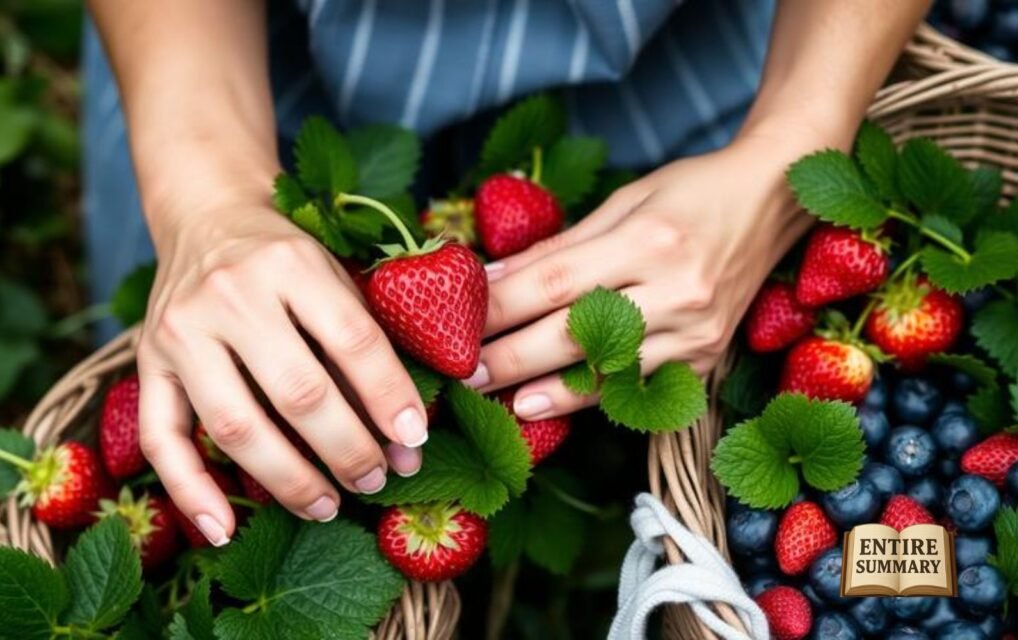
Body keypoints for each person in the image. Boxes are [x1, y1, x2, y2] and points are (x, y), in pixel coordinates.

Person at [84, 0, 930, 546]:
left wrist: (792, 140)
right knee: (211, 369)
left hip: (705, 49)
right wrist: (207, 200)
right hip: (231, 64)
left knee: (702, 387)